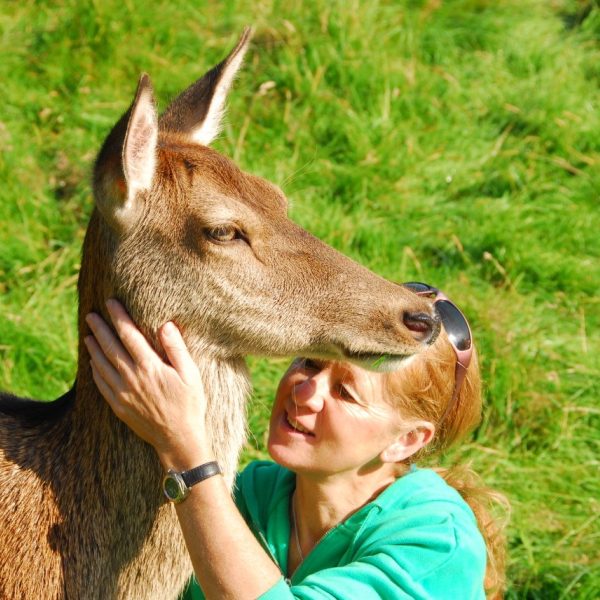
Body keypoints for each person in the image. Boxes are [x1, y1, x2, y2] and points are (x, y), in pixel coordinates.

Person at [84, 283, 506, 600]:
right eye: (311, 362)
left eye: (344, 393)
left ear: (407, 441)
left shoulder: (438, 543)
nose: (304, 392)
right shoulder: (255, 496)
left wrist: (187, 455)